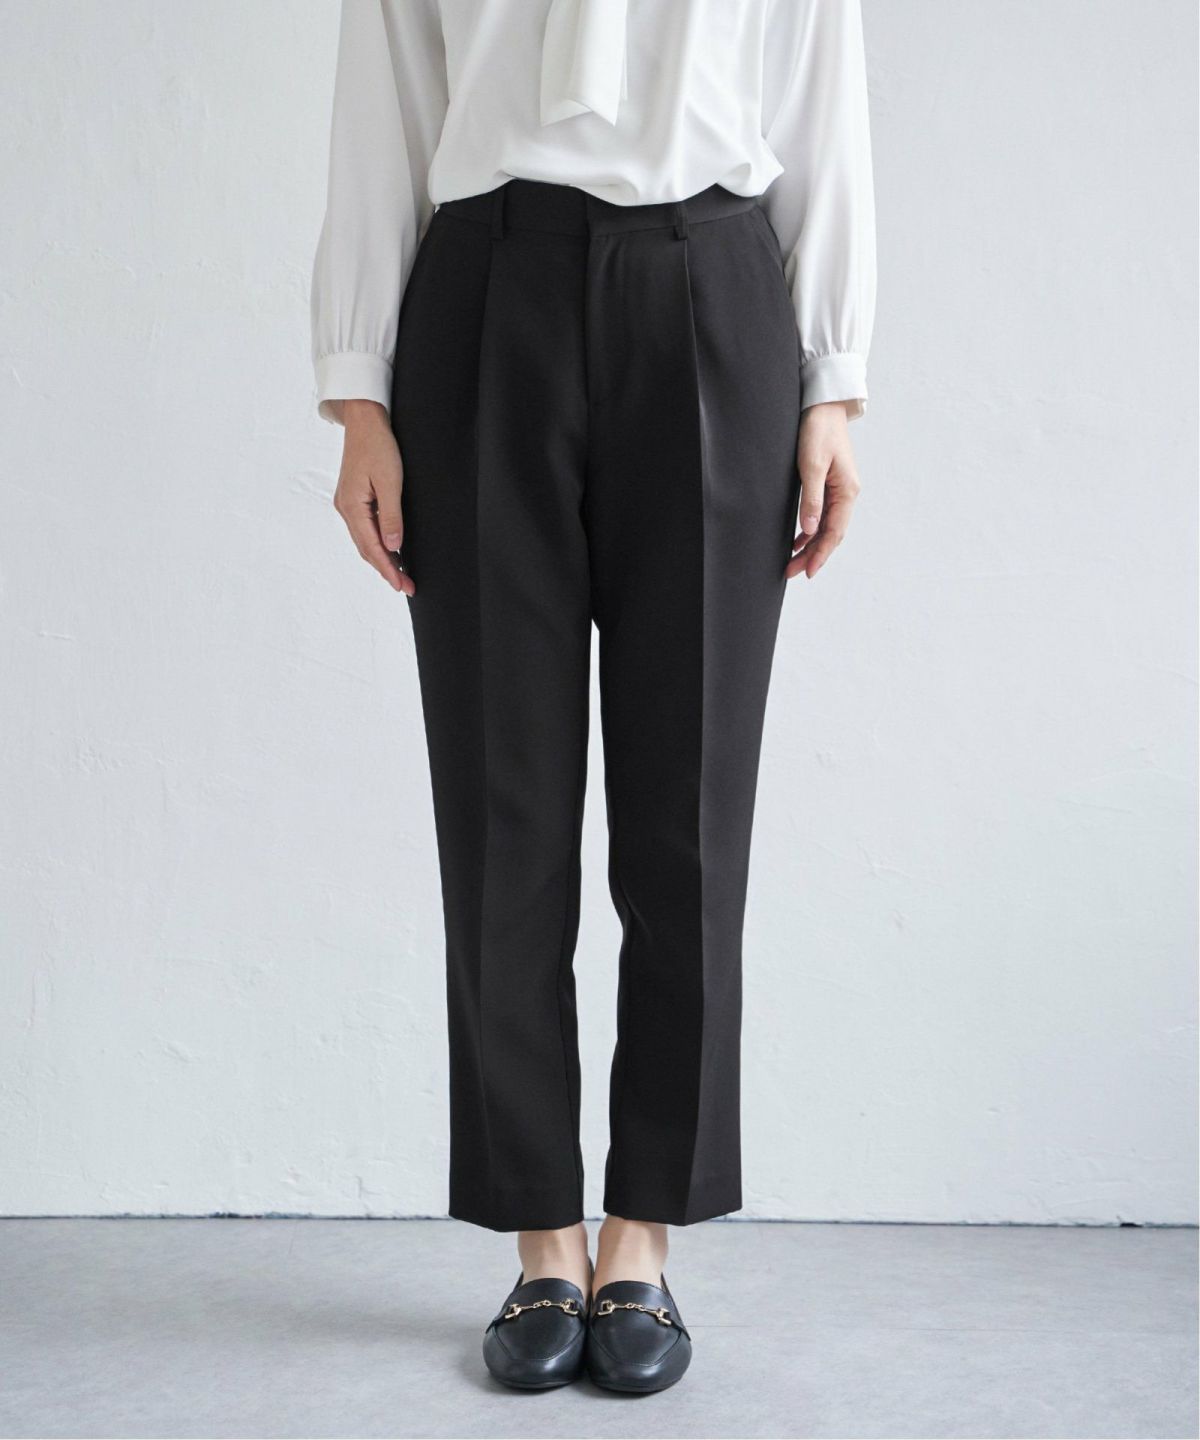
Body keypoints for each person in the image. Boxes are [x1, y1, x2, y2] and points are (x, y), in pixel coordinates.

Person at [311, 0, 875, 1394]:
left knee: (692, 811)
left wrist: (833, 383)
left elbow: (821, 101)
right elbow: (384, 105)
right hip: (484, 293)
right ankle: (541, 1241)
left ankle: (644, 1237)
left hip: (713, 284)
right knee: (501, 806)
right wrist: (359, 393)